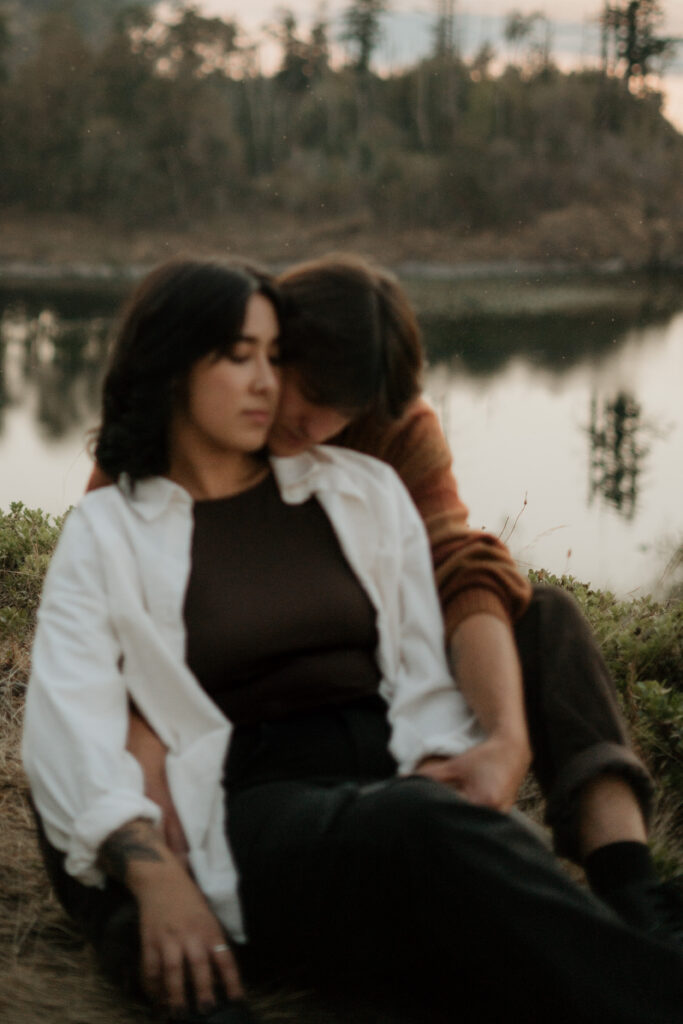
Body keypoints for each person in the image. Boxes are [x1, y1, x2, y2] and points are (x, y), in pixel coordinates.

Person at [23, 257, 683, 1024]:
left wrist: (490, 745)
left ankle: (626, 879)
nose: (290, 404)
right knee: (417, 831)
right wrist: (156, 866)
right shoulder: (124, 511)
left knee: (537, 631)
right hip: (247, 779)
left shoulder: (360, 479)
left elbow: (446, 587)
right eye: (249, 360)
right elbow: (94, 683)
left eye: (277, 363)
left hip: (364, 758)